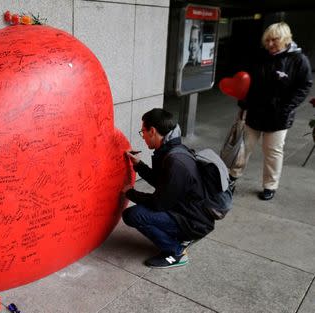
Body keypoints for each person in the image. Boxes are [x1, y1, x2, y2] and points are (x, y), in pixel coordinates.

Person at [122, 108, 215, 268]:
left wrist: (130, 193)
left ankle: (175, 252)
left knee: (134, 215)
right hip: (189, 213)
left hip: (193, 221)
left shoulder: (175, 161)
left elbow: (159, 203)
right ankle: (179, 237)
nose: (142, 135)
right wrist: (139, 165)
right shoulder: (171, 151)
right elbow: (162, 183)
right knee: (141, 212)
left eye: (143, 131)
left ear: (152, 131)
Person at [230, 22, 313, 200]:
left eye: (274, 40)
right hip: (253, 111)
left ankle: (270, 185)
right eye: (267, 40)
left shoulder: (299, 60)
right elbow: (246, 81)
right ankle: (232, 177)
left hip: (279, 116)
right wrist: (243, 102)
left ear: (286, 39)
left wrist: (287, 107)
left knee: (273, 151)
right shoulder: (259, 56)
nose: (270, 44)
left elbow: (304, 86)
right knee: (243, 148)